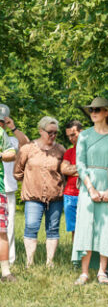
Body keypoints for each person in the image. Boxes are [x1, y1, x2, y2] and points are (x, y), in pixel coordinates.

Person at [71, 98, 108, 284]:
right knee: (86, 225)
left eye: (97, 109)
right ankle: (84, 272)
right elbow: (80, 164)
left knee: (107, 228)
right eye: (91, 110)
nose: (93, 112)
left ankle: (102, 271)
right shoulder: (84, 136)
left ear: (106, 113)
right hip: (88, 186)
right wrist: (90, 188)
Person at [14, 116, 66, 267]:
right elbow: (17, 171)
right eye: (50, 132)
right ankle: (29, 262)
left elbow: (65, 171)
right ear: (41, 131)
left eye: (55, 133)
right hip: (33, 196)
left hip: (55, 196)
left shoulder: (60, 149)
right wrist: (30, 181)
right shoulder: (28, 148)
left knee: (53, 229)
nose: (53, 135)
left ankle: (50, 262)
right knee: (31, 226)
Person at [0, 105, 29, 265]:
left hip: (8, 188)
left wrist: (13, 128)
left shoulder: (11, 140)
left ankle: (9, 259)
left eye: (2, 121)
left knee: (8, 226)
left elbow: (26, 144)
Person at [0, 117, 18, 281]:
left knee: (1, 231)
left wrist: (2, 155)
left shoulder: (1, 133)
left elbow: (12, 153)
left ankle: (5, 272)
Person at [60, 120, 83, 235]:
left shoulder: (91, 150)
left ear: (81, 132)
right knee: (74, 230)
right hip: (70, 195)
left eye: (73, 135)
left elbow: (93, 170)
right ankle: (75, 248)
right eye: (68, 136)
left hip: (86, 194)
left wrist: (72, 169)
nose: (70, 138)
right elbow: (64, 169)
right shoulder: (69, 152)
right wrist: (82, 168)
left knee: (87, 228)